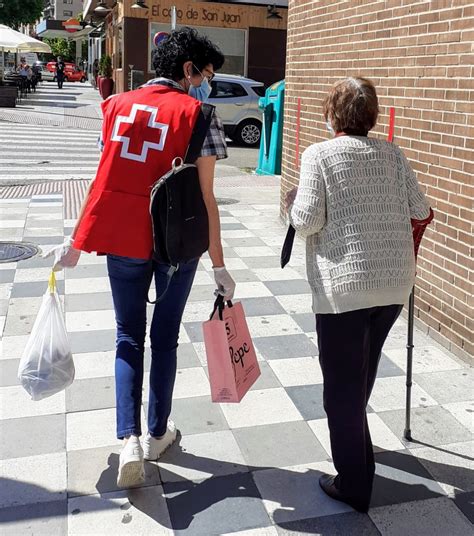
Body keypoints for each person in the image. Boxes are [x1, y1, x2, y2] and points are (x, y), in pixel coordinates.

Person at [44, 27, 236, 488]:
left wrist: (76, 241)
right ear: (187, 70)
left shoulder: (114, 107)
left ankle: (128, 438)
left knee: (128, 336)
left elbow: (104, 177)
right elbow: (207, 198)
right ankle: (156, 432)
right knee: (165, 336)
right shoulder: (199, 114)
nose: (203, 84)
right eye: (203, 74)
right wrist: (220, 264)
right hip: (176, 246)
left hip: (122, 241)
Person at [285, 77, 431, 513]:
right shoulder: (393, 153)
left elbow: (307, 219)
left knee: (340, 391)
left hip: (345, 286)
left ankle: (354, 482)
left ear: (332, 114)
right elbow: (421, 210)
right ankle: (358, 444)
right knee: (359, 373)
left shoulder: (319, 155)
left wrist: (293, 201)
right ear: (371, 116)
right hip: (392, 282)